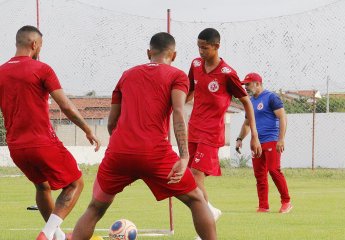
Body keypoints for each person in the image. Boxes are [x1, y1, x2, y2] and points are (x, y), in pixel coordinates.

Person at [71, 32, 217, 240]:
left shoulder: (127, 75)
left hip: (119, 153)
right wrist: (184, 157)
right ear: (173, 55)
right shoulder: (177, 76)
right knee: (197, 200)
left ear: (149, 52)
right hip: (155, 154)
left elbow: (112, 122)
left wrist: (124, 149)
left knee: (95, 208)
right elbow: (178, 112)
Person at [0, 25, 101, 240]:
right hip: (42, 142)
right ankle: (46, 234)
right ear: (34, 45)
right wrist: (86, 129)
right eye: (40, 46)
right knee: (75, 183)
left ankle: (58, 236)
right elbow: (65, 105)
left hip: (16, 147)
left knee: (42, 186)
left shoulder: (1, 72)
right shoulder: (42, 69)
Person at [187, 28, 262, 220]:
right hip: (193, 129)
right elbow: (189, 91)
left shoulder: (227, 74)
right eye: (198, 47)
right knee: (190, 178)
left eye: (204, 48)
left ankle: (206, 220)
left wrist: (254, 135)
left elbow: (247, 102)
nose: (200, 52)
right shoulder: (195, 65)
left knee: (195, 175)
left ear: (216, 46)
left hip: (211, 133)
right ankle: (209, 211)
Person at [237, 72, 292, 213]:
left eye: (248, 84)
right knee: (259, 175)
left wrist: (281, 139)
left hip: (272, 140)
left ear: (257, 83)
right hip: (257, 144)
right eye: (245, 85)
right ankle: (263, 206)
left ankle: (286, 202)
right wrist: (239, 139)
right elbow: (247, 124)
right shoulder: (250, 101)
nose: (246, 87)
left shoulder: (271, 97)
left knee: (274, 170)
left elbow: (282, 118)